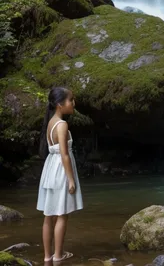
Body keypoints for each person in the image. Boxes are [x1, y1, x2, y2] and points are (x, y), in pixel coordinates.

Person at [37, 87, 83, 263]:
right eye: (71, 100)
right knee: (62, 214)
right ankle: (58, 256)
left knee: (49, 215)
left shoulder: (51, 122)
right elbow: (64, 154)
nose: (73, 103)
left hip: (50, 169)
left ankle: (47, 257)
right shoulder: (62, 125)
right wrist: (71, 179)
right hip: (60, 171)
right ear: (59, 104)